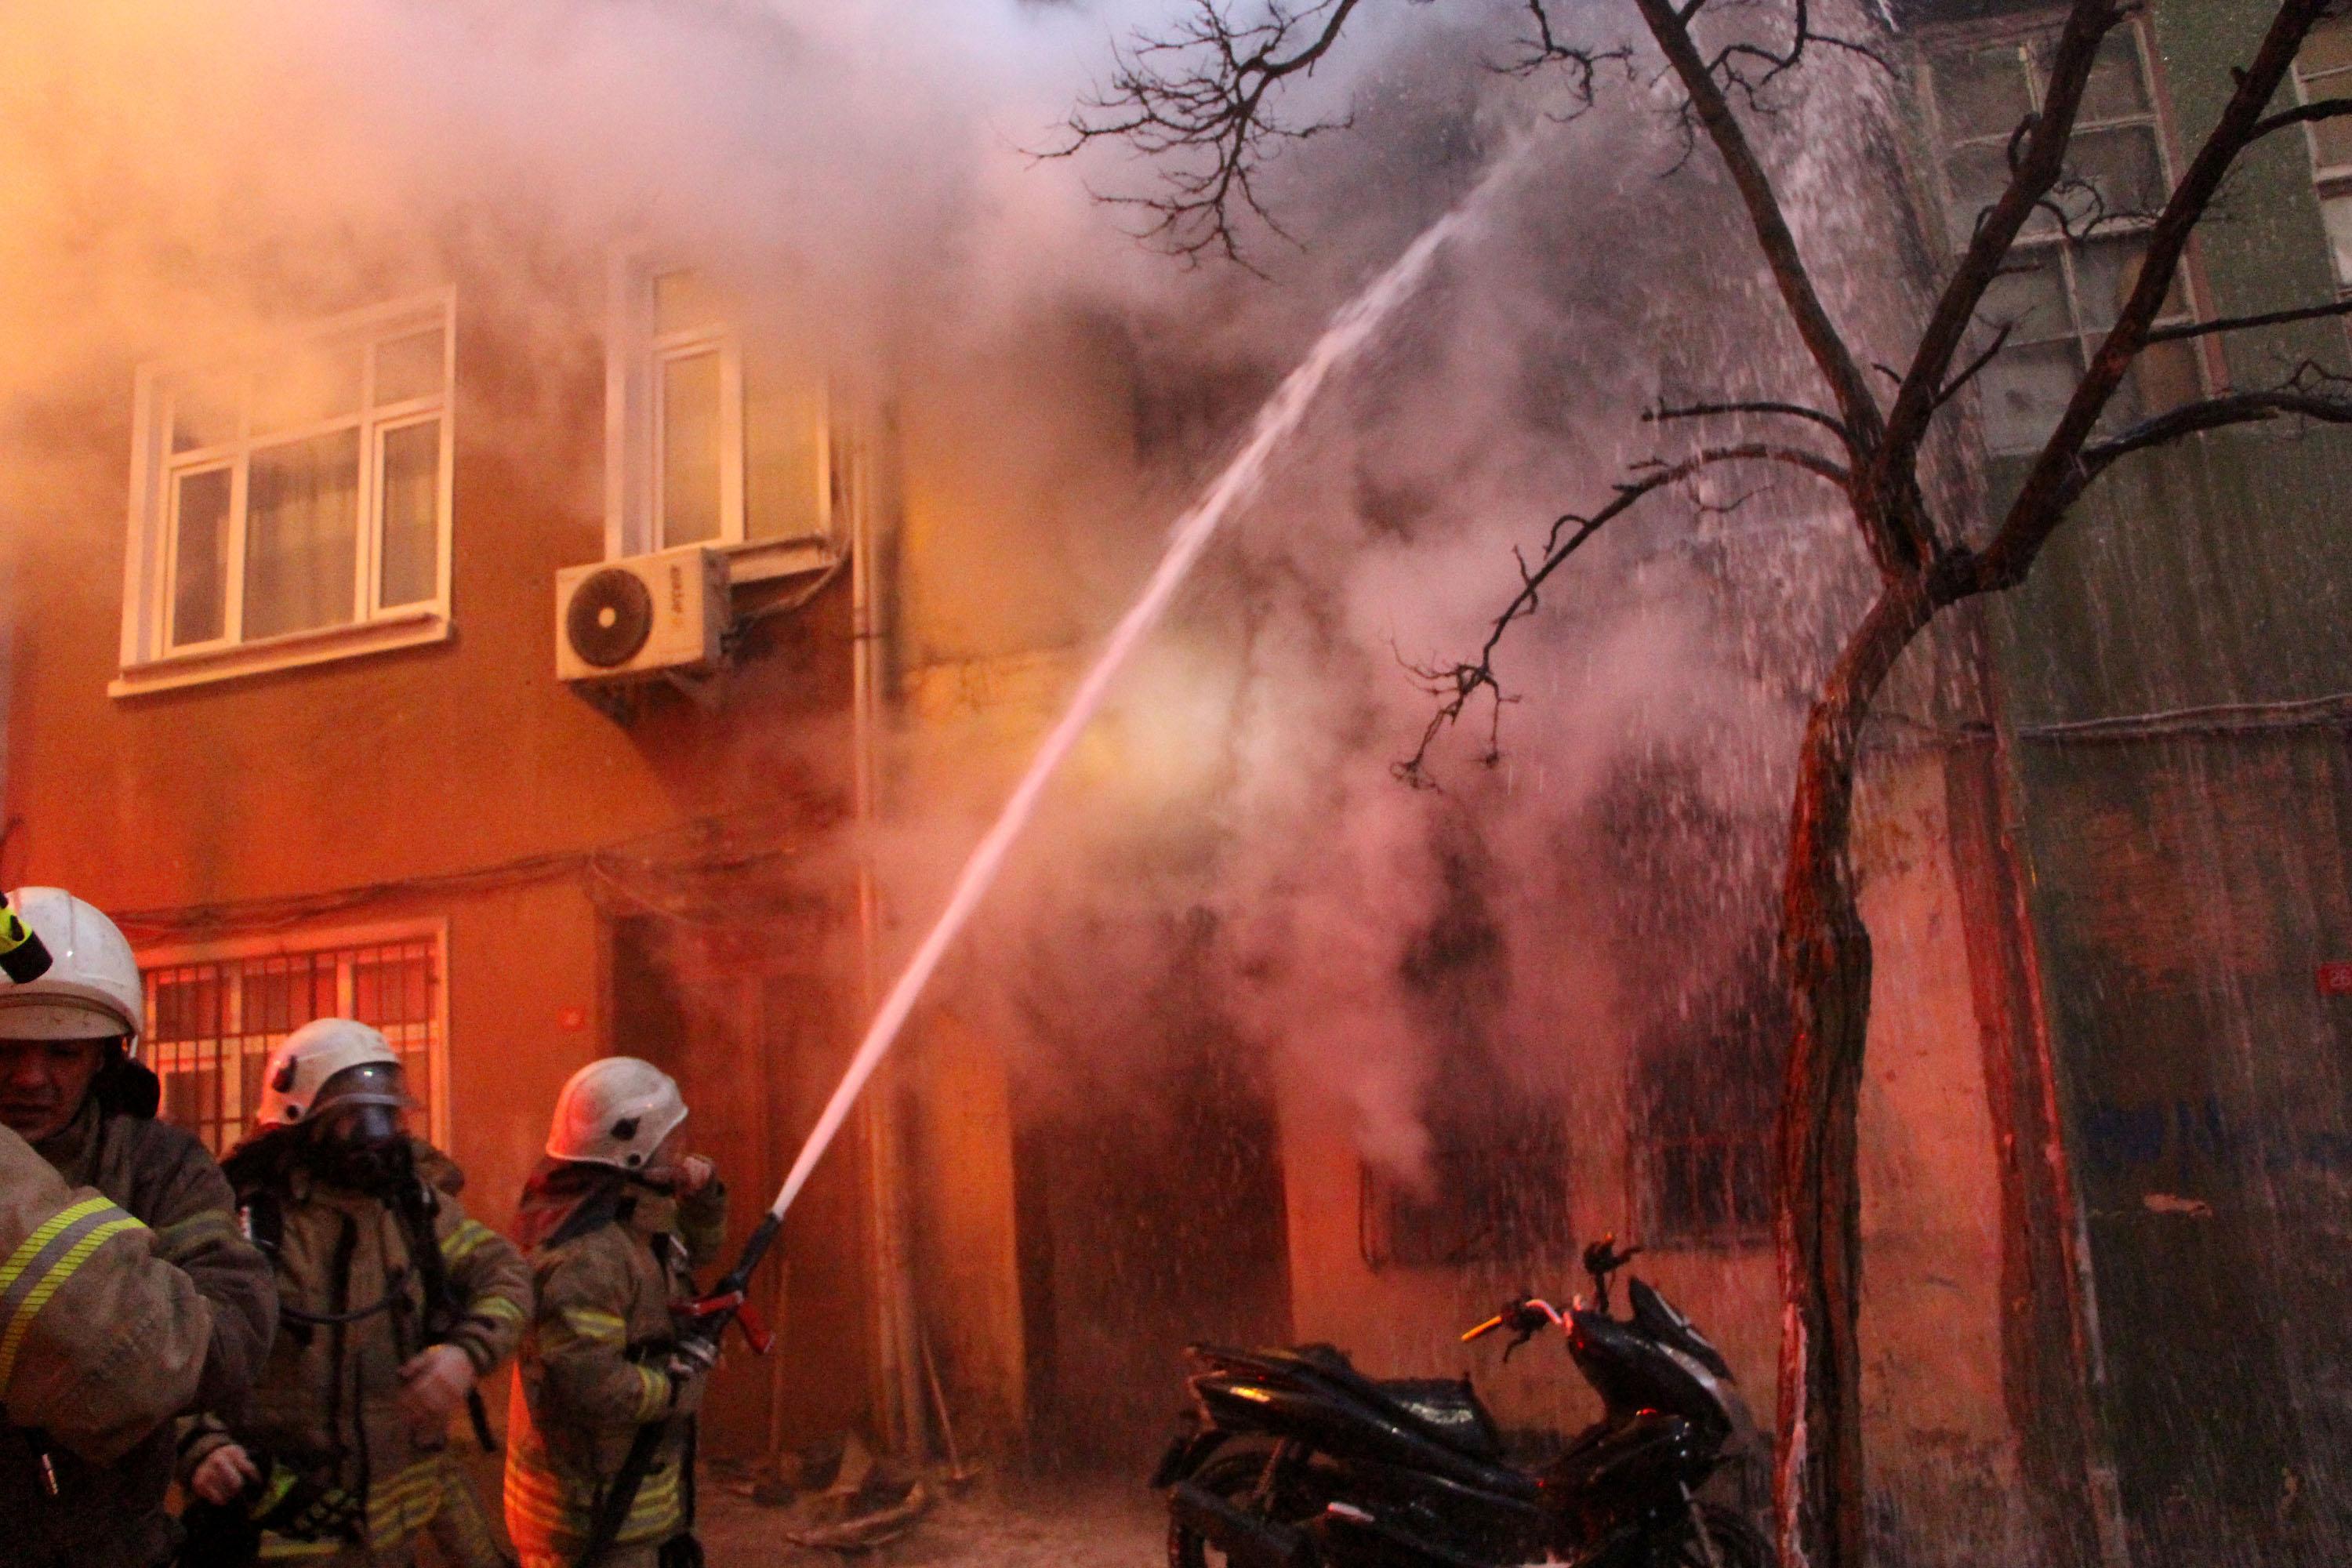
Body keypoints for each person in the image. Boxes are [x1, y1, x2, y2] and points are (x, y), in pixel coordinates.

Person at [180, 1018, 531, 1567]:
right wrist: (201, 1446)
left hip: (388, 1538)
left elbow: (505, 1273)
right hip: (280, 1537)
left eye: (385, 1115)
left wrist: (466, 1354)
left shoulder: (412, 1208)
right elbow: (169, 1350)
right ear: (300, 1121)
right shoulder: (243, 1221)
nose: (376, 1137)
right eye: (353, 1118)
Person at [0, 887, 277, 1568]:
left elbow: (232, 1336)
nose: (30, 1077)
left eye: (63, 1052)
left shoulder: (160, 1166)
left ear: (107, 1057)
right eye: (3, 1048)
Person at [505, 1058, 726, 1568]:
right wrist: (676, 1387)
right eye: (670, 1142)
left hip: (631, 1510)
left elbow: (698, 1252)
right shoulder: (588, 1256)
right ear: (631, 1153)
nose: (681, 1152)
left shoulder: (634, 1221)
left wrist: (703, 1198)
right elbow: (591, 1384)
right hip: (587, 1523)